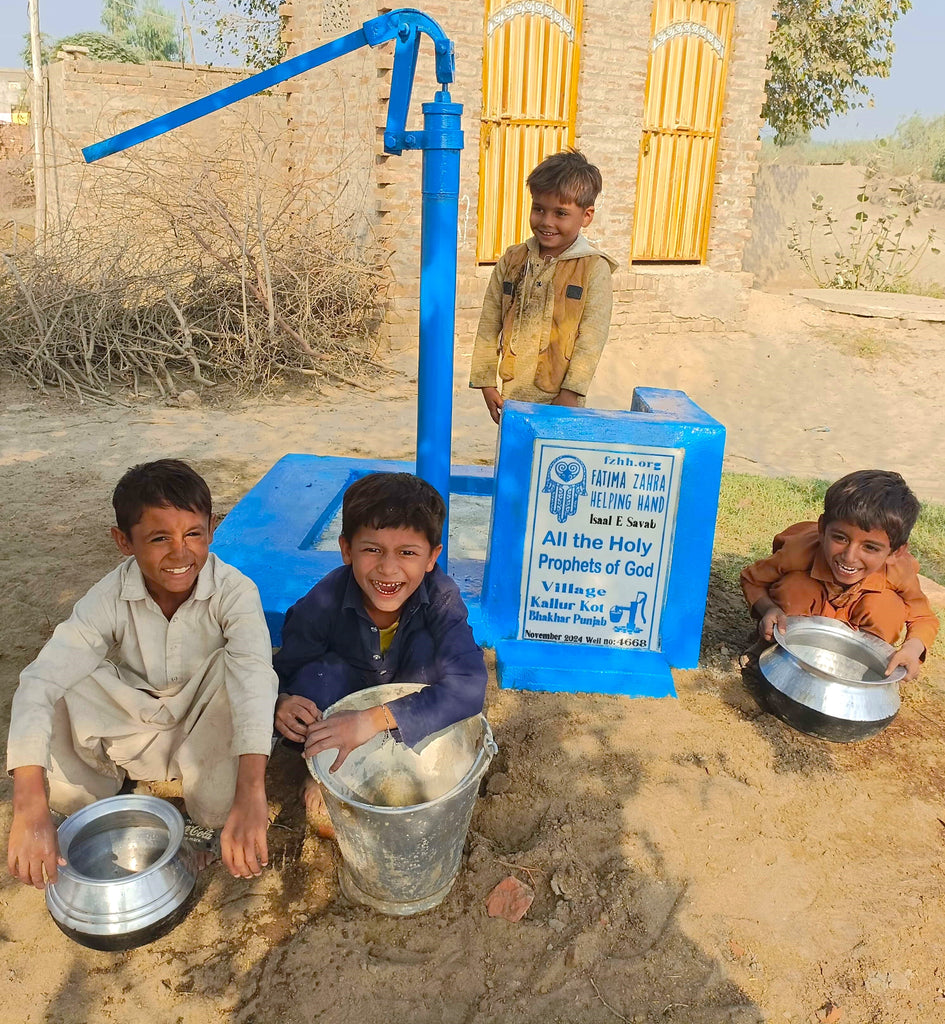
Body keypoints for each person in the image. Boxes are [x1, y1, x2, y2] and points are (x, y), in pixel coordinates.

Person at [6, 459, 279, 888]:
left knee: (241, 675)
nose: (180, 552)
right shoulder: (111, 595)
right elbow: (40, 682)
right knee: (59, 682)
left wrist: (252, 794)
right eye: (158, 538)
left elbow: (254, 683)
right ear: (124, 542)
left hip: (206, 726)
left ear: (212, 528)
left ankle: (203, 816)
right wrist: (29, 807)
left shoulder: (235, 592)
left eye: (194, 533)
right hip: (139, 723)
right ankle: (106, 795)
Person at [273, 472, 487, 811]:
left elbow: (469, 686)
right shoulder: (322, 603)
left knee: (431, 656)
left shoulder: (442, 599)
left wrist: (370, 720)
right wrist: (281, 702)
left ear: (432, 557)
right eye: (372, 549)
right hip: (341, 704)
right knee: (318, 677)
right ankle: (324, 767)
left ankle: (398, 763)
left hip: (402, 712)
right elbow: (285, 669)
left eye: (407, 552)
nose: (388, 569)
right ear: (346, 549)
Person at [740, 470, 939, 680]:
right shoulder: (799, 552)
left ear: (895, 552)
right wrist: (769, 609)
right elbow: (752, 579)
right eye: (841, 538)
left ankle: (859, 668)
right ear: (822, 528)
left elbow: (924, 618)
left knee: (888, 607)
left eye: (870, 548)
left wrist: (911, 649)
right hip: (798, 622)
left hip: (856, 636)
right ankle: (769, 648)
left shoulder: (899, 570)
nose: (849, 556)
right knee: (796, 588)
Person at [469, 149, 618, 424]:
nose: (546, 221)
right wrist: (486, 381)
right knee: (514, 460)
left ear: (586, 216)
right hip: (511, 396)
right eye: (539, 209)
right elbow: (489, 323)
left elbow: (591, 339)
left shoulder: (593, 268)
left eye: (560, 213)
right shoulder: (512, 260)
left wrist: (571, 394)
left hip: (562, 401)